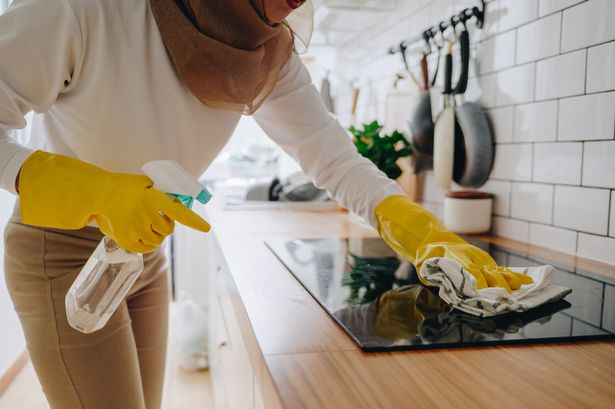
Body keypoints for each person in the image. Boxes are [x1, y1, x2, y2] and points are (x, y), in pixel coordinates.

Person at [0, 1, 531, 408]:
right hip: (62, 255)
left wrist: (422, 230)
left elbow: (336, 162)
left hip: (142, 251)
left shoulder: (266, 46)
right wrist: (88, 189)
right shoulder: (83, 10)